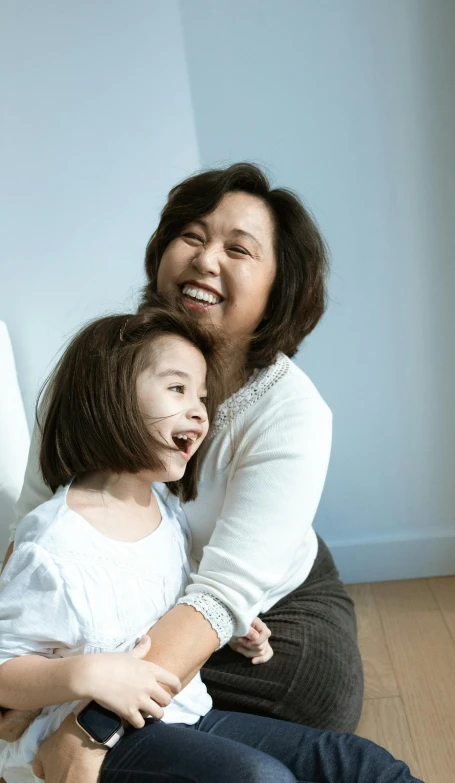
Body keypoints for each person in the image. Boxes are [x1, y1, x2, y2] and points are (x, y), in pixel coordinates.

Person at [2, 163, 364, 781]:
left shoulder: (294, 413)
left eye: (238, 249)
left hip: (262, 594)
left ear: (279, 289)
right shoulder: (92, 373)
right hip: (130, 603)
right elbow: (33, 521)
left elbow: (223, 595)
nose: (204, 259)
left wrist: (85, 728)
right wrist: (21, 687)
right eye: (191, 236)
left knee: (315, 701)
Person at [0, 303, 423, 783]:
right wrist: (84, 675)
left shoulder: (165, 510)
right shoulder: (54, 541)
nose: (199, 411)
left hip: (184, 713)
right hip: (99, 744)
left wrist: (234, 627)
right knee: (259, 778)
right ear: (108, 396)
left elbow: (163, 599)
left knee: (360, 763)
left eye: (202, 396)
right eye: (177, 388)